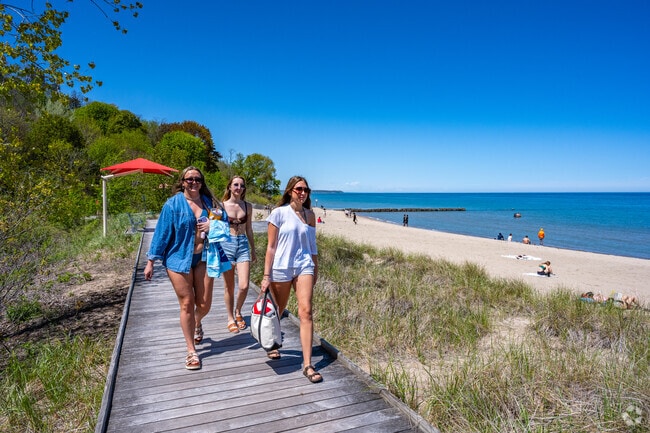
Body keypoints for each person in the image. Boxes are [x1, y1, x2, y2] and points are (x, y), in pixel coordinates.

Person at [144, 166, 228, 370]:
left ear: (202, 182)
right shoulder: (172, 205)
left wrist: (212, 226)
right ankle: (191, 351)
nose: (193, 182)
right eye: (189, 179)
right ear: (182, 182)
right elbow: (162, 233)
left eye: (197, 179)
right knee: (187, 303)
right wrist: (150, 261)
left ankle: (197, 323)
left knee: (205, 304)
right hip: (177, 259)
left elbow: (226, 225)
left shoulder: (211, 203)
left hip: (204, 257)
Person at [261, 176, 322, 383]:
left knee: (306, 311)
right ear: (289, 191)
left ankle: (307, 364)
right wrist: (266, 275)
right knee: (279, 309)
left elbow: (312, 246)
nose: (302, 193)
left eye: (305, 189)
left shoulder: (310, 215)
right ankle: (272, 343)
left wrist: (315, 268)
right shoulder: (279, 214)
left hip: (304, 265)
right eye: (298, 189)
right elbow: (271, 247)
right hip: (281, 266)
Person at [220, 175, 256, 333]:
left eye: (241, 185)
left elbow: (249, 229)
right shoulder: (221, 206)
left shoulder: (247, 206)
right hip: (226, 244)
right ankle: (230, 318)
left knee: (244, 285)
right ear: (229, 187)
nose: (238, 188)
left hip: (242, 245)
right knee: (229, 286)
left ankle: (238, 311)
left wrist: (253, 249)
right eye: (235, 185)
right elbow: (216, 228)